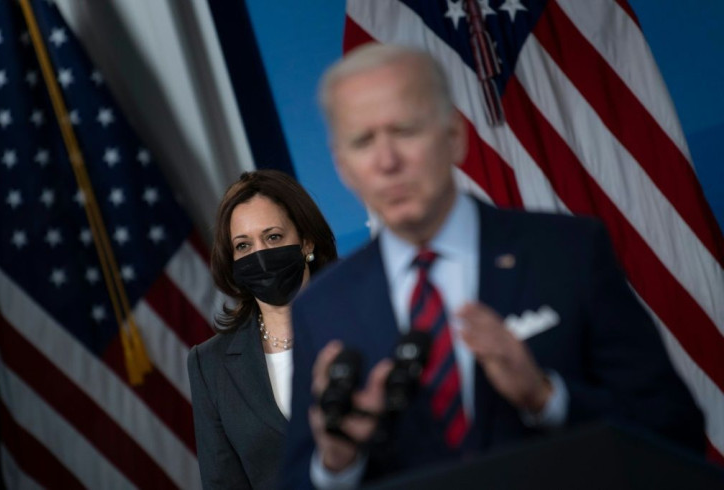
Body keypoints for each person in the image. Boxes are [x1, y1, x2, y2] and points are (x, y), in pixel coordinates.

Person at [280, 43, 705, 488]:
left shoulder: (568, 252)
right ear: (342, 167)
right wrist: (337, 463)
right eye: (364, 141)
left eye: (404, 130)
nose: (388, 162)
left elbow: (676, 431)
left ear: (454, 137)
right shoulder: (322, 308)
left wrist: (546, 397)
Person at [187, 169, 337, 489]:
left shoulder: (361, 321)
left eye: (272, 237)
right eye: (243, 245)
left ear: (306, 240)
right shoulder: (210, 364)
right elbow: (222, 483)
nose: (260, 255)